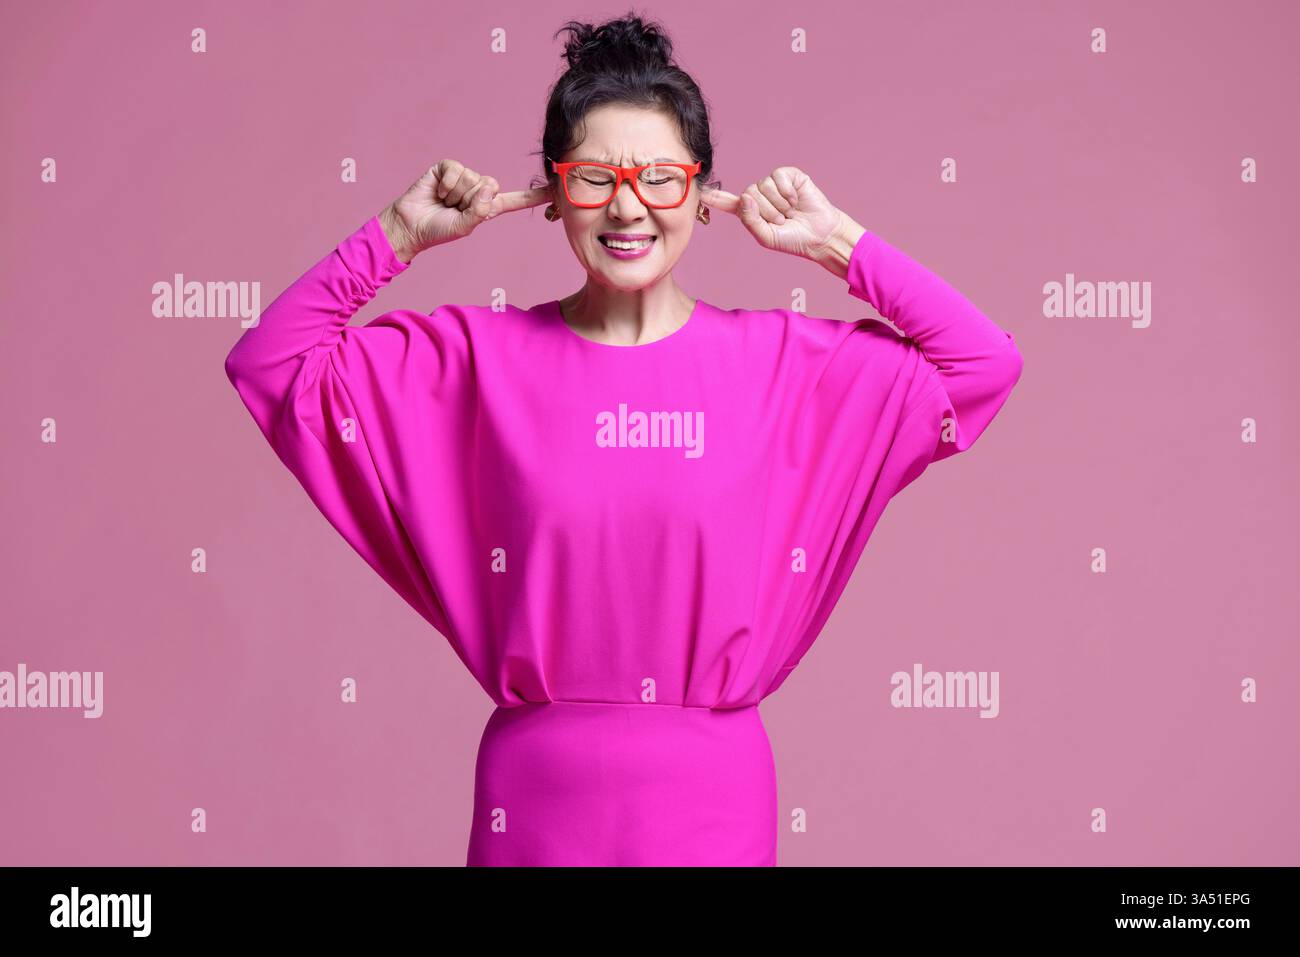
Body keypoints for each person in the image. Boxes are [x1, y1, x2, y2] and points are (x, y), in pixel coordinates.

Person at [223, 12, 1024, 867]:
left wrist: (835, 243)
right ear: (553, 194)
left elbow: (982, 364)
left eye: (661, 178)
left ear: (705, 193)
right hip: (534, 803)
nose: (628, 205)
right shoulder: (477, 361)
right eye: (595, 176)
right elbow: (272, 365)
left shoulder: (784, 363)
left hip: (714, 801)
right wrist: (396, 235)